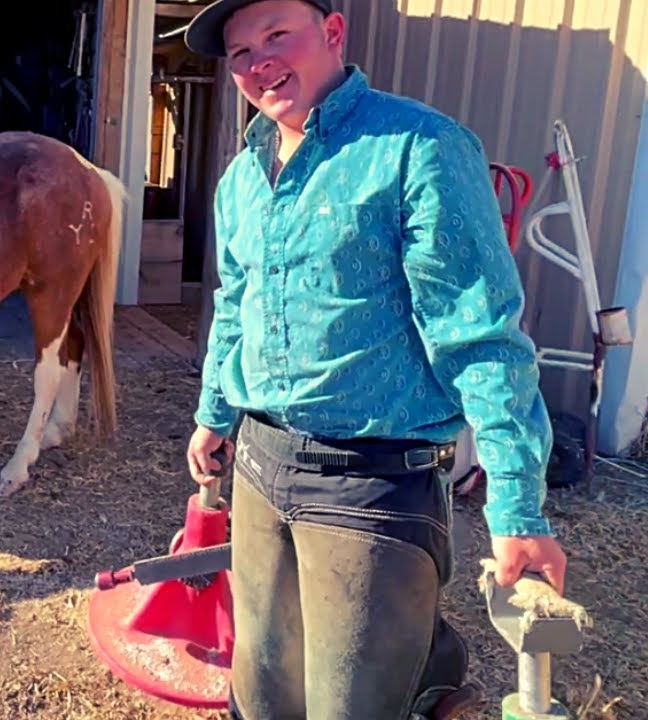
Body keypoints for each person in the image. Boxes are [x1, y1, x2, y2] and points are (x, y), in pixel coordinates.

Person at [181, 1, 568, 718]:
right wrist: (215, 415)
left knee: (355, 704)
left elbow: (478, 334)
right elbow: (236, 307)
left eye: (276, 36)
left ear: (333, 34)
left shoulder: (417, 148)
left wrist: (517, 505)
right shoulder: (243, 178)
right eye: (239, 54)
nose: (258, 62)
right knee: (261, 688)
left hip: (372, 488)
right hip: (260, 469)